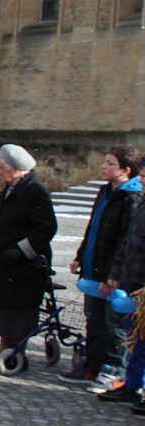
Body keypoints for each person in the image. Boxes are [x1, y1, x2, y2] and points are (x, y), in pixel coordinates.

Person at [60, 145, 143, 390]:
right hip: (92, 267)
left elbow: (124, 241)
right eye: (104, 162)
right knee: (93, 319)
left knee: (113, 324)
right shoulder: (104, 191)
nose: (103, 167)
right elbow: (93, 228)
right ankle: (92, 365)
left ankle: (114, 369)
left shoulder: (132, 198)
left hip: (113, 274)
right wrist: (80, 255)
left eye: (110, 164)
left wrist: (113, 275)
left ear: (126, 170)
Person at [0, 145, 57, 368]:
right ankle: (4, 349)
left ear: (15, 169)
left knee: (17, 312)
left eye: (2, 167)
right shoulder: (9, 189)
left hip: (23, 268)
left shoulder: (35, 192)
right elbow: (6, 222)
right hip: (4, 263)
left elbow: (47, 228)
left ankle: (16, 351)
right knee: (2, 309)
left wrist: (23, 249)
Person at [95, 196, 145, 411]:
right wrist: (115, 273)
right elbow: (127, 243)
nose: (141, 179)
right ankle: (132, 386)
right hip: (133, 283)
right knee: (136, 339)